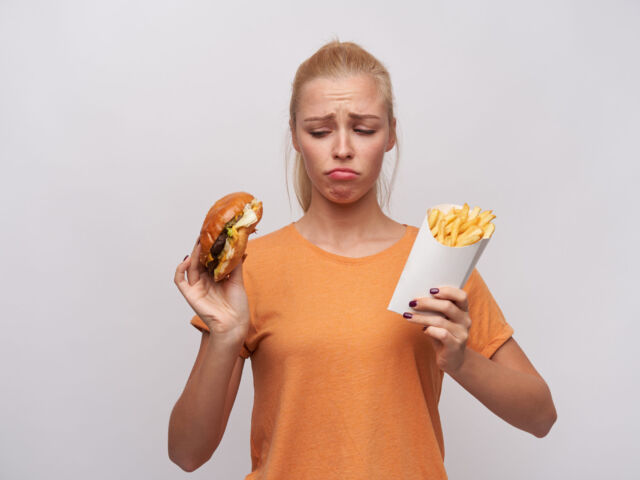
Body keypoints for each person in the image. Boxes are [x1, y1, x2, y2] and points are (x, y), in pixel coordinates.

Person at [168, 39, 557, 478]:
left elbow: (541, 416)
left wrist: (463, 361)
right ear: (296, 136)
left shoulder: (440, 261)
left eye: (365, 129)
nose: (342, 148)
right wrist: (224, 335)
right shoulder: (248, 269)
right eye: (319, 131)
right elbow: (187, 453)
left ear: (391, 134)